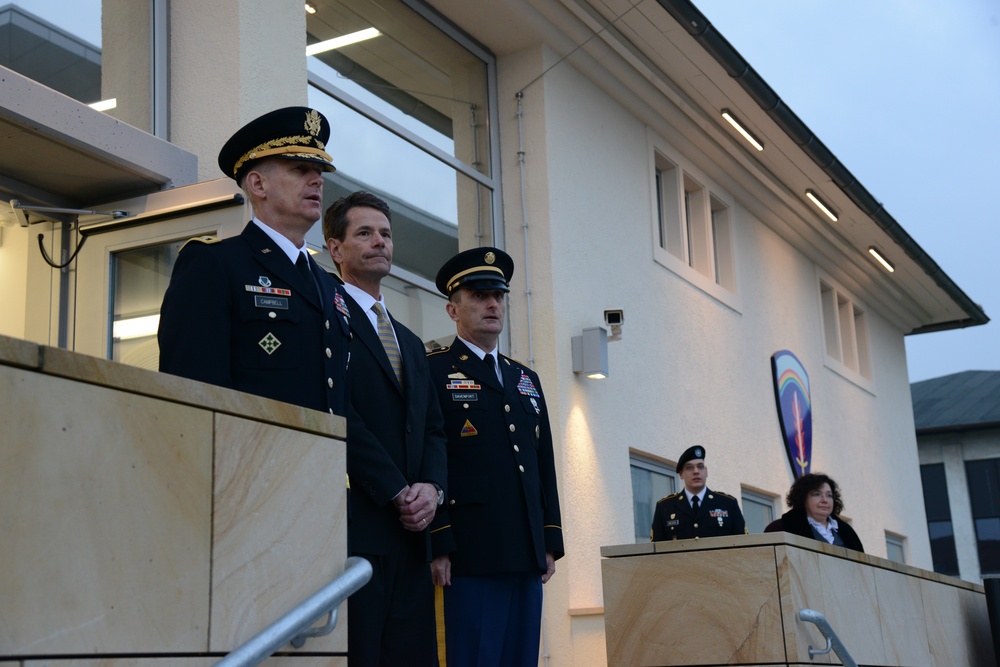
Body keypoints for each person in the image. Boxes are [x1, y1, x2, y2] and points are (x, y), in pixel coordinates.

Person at [158, 106, 351, 416]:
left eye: (319, 173)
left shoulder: (329, 285)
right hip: (252, 459)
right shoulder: (214, 264)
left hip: (322, 461)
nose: (317, 181)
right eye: (300, 169)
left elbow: (341, 403)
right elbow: (193, 389)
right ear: (258, 185)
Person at [322, 191, 447, 667]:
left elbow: (434, 429)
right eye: (365, 233)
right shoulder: (325, 318)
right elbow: (338, 412)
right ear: (336, 249)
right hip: (357, 529)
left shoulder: (412, 342)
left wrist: (432, 489)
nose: (380, 242)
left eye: (387, 234)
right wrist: (397, 490)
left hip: (414, 536)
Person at [426, 247, 564, 666]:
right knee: (474, 657)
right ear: (453, 308)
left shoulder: (525, 378)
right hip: (470, 551)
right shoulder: (433, 369)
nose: (492, 304)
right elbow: (429, 457)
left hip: (524, 549)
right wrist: (438, 541)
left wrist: (550, 539)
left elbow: (543, 463)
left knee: (521, 658)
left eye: (499, 296)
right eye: (479, 295)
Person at [651, 446, 746, 541]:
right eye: (689, 468)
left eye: (700, 466)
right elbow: (655, 550)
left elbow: (744, 544)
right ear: (681, 474)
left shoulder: (728, 504)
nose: (696, 471)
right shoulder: (665, 507)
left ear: (706, 472)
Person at [765, 473, 864, 552]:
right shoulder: (781, 528)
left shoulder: (847, 532)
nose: (825, 500)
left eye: (829, 495)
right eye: (817, 494)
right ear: (803, 499)